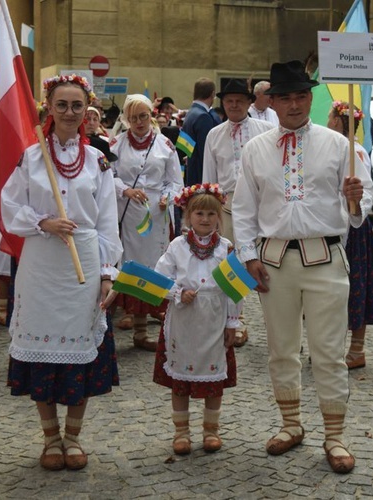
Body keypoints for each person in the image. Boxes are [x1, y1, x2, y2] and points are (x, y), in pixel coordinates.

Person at [232, 60, 373, 474]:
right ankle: (291, 424)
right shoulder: (255, 149)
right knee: (282, 349)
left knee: (329, 352)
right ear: (271, 101)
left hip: (326, 257)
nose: (294, 104)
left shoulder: (338, 145)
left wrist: (353, 196)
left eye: (301, 96)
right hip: (274, 261)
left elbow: (359, 212)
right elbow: (243, 210)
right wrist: (248, 256)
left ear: (310, 99)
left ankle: (335, 435)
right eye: (286, 97)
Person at [1, 74, 123, 471]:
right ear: (49, 109)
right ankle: (50, 438)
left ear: (88, 111)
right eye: (62, 105)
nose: (70, 113)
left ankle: (73, 438)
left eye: (77, 106)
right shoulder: (32, 157)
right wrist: (42, 222)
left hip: (83, 264)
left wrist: (108, 273)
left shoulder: (97, 161)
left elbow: (107, 222)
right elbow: (8, 207)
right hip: (41, 266)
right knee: (42, 350)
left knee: (79, 353)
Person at [152, 184, 240, 455]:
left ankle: (211, 430)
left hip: (214, 318)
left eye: (210, 214)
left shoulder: (226, 248)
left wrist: (232, 323)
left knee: (214, 378)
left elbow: (235, 290)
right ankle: (181, 432)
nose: (204, 219)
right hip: (184, 320)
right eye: (199, 213)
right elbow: (159, 277)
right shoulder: (177, 246)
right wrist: (177, 292)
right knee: (181, 377)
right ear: (188, 216)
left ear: (219, 218)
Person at [203, 78, 274, 347]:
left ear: (249, 102)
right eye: (229, 101)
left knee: (267, 262)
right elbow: (208, 177)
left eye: (239, 101)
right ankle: (237, 319)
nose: (234, 105)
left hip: (261, 202)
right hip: (227, 204)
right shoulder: (214, 134)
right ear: (223, 103)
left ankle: (274, 320)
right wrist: (210, 210)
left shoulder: (266, 129)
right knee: (232, 263)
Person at [109, 94, 183, 350]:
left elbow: (175, 181)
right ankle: (137, 325)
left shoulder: (164, 145)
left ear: (150, 116)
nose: (139, 122)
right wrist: (125, 190)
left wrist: (167, 197)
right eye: (133, 118)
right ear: (126, 119)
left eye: (143, 116)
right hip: (128, 213)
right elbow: (108, 175)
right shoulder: (116, 144)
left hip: (157, 214)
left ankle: (153, 328)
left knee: (156, 265)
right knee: (132, 264)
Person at [327, 101, 373, 369]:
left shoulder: (355, 151)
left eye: (330, 117)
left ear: (338, 121)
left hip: (353, 227)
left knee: (356, 286)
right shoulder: (332, 147)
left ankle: (356, 349)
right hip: (334, 225)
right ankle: (333, 346)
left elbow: (366, 191)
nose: (328, 122)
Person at [181, 77, 221, 186]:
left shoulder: (190, 113)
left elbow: (183, 147)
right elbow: (206, 152)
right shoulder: (203, 117)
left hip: (191, 171)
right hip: (201, 176)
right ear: (213, 94)